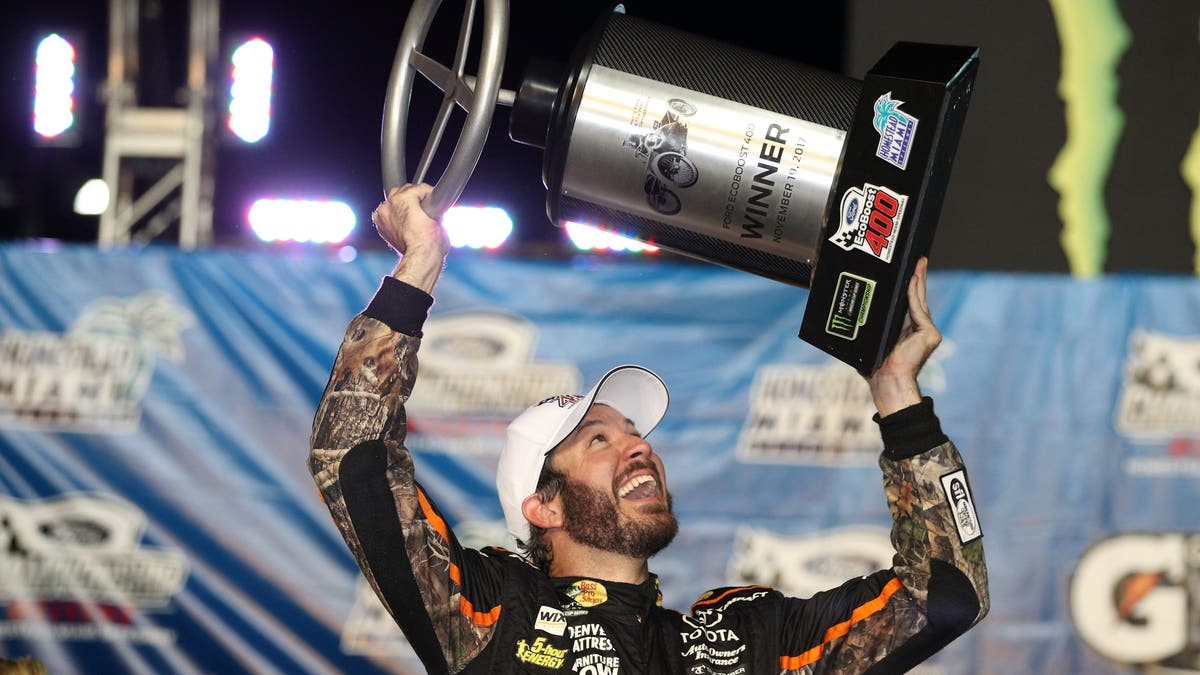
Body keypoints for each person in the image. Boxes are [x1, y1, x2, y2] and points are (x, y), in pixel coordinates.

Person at [309, 183, 989, 674]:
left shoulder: (747, 645)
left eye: (633, 431)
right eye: (596, 438)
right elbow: (353, 460)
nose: (638, 445)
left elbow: (948, 596)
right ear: (542, 505)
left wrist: (898, 396)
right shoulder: (488, 613)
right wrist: (418, 272)